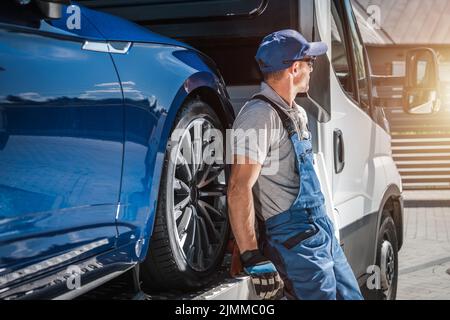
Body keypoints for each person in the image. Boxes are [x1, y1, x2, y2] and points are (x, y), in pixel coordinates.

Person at [228, 29, 364, 300]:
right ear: (294, 68)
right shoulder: (258, 116)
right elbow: (238, 187)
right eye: (310, 63)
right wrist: (251, 254)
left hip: (319, 230)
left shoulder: (296, 113)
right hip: (294, 240)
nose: (312, 69)